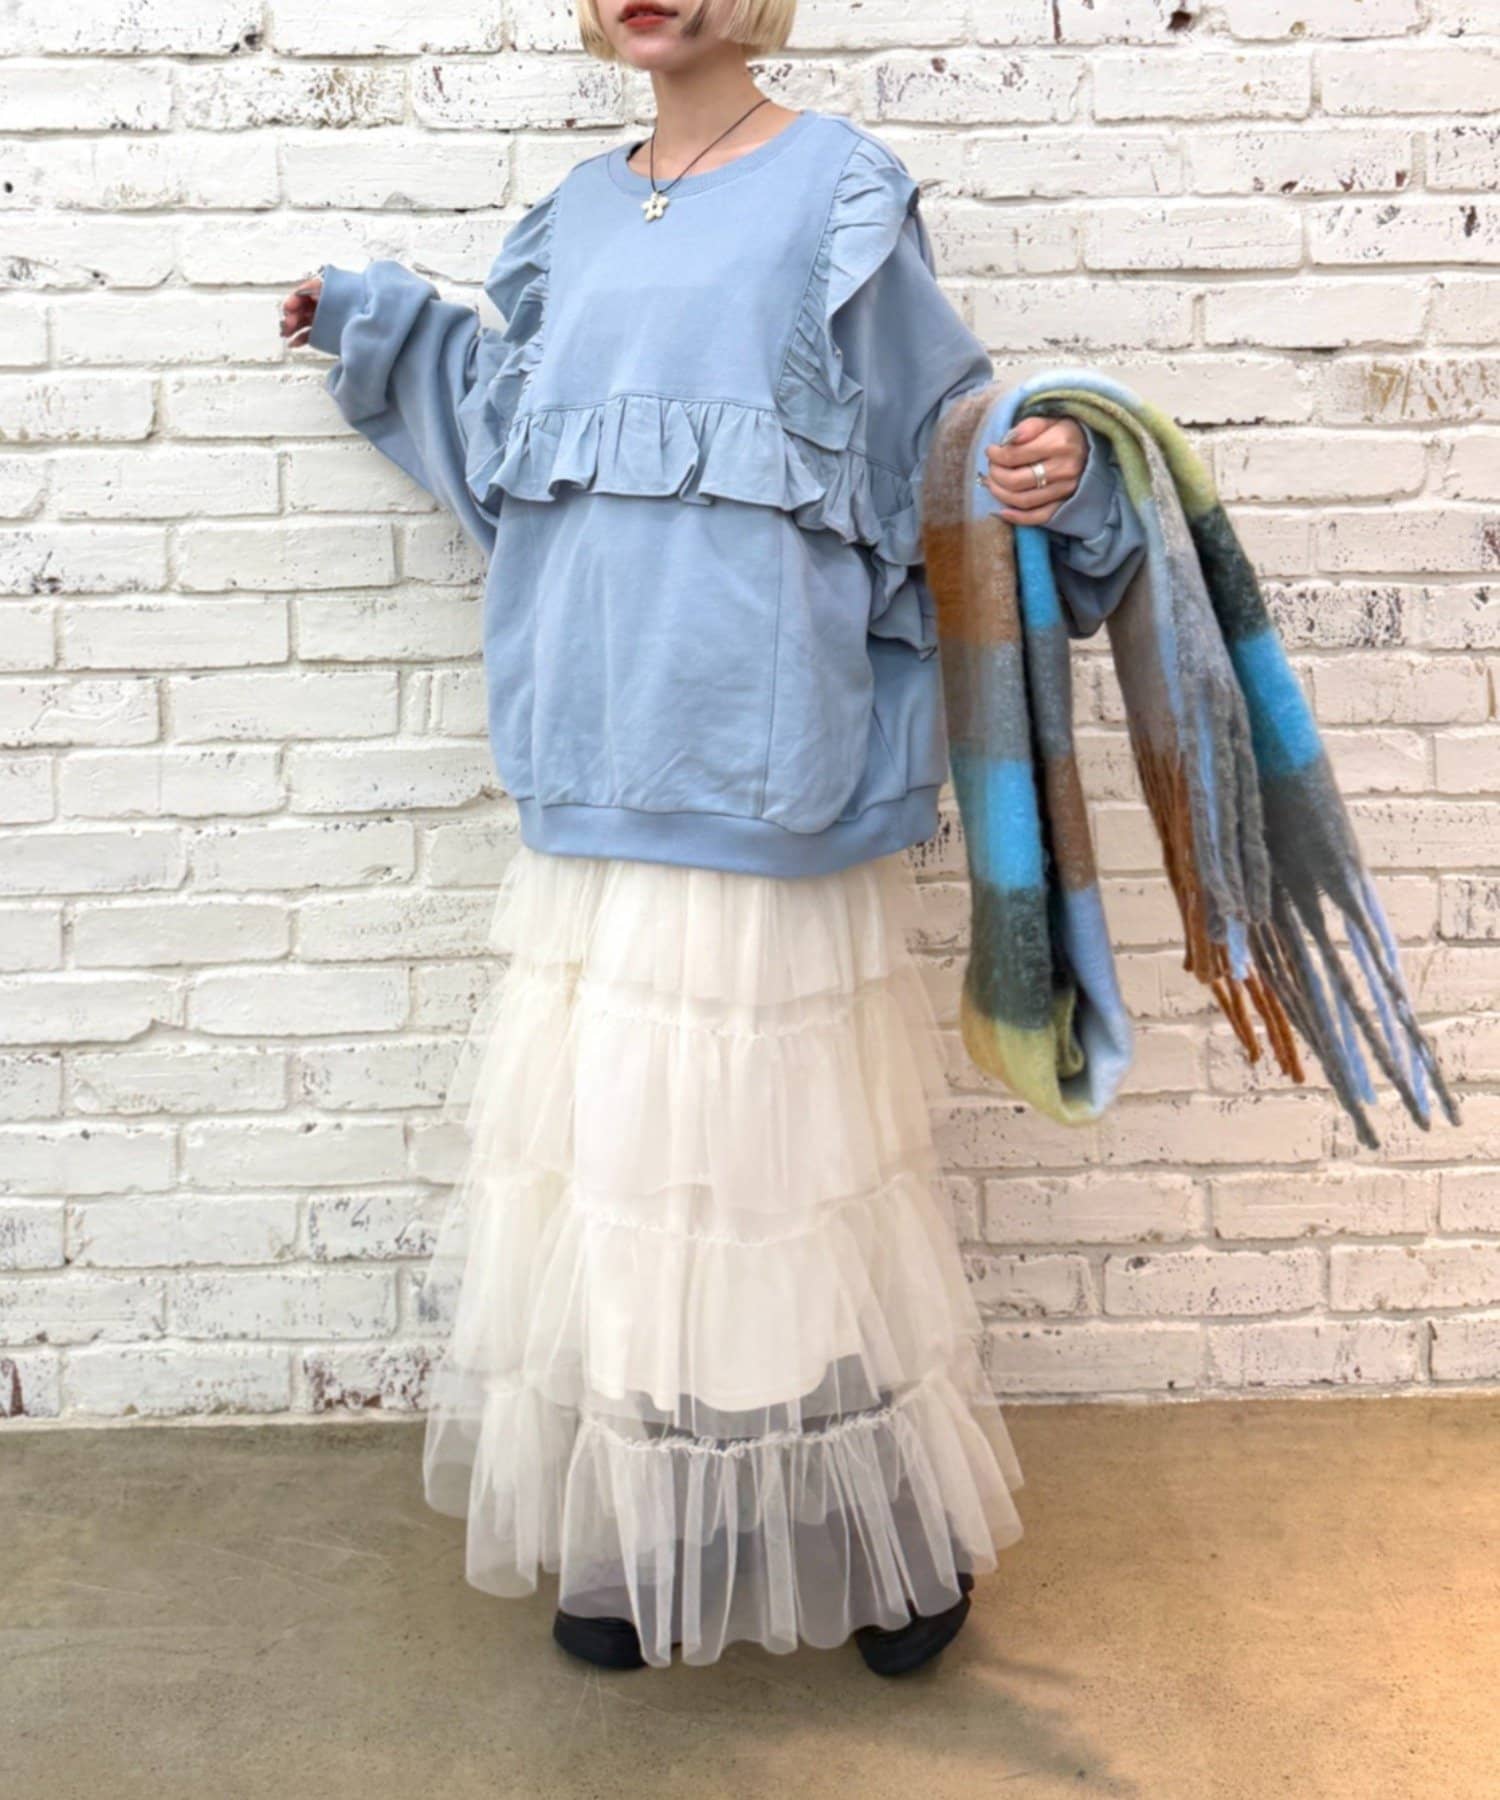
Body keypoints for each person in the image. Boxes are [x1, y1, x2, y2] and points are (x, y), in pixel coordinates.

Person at [278, 0, 1145, 1677]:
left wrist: (1055, 468)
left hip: (767, 760)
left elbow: (938, 436)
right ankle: (650, 1527)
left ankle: (889, 1539)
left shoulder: (841, 193)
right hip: (599, 749)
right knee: (624, 1174)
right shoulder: (575, 214)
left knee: (783, 1172)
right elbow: (512, 443)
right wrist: (380, 326)